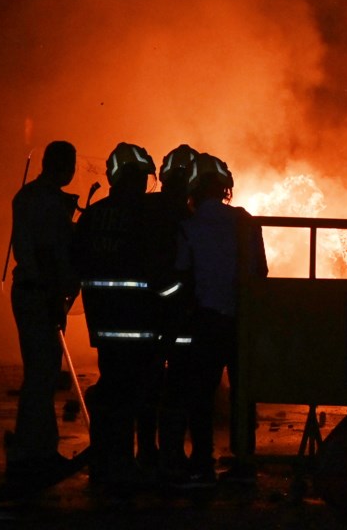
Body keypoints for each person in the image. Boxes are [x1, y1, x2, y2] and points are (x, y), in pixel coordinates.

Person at [73, 142, 178, 486]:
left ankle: (107, 461)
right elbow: (160, 272)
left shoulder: (92, 215)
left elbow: (77, 265)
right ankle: (135, 463)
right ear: (132, 177)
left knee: (112, 390)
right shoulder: (147, 216)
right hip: (140, 324)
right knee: (142, 394)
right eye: (142, 177)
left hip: (104, 324)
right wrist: (178, 302)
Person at [175, 152, 267, 486]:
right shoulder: (245, 221)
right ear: (225, 187)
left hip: (206, 321)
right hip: (241, 321)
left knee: (201, 394)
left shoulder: (189, 226)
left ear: (194, 188)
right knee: (243, 392)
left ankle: (202, 462)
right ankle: (244, 462)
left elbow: (182, 275)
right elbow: (261, 273)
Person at [6, 140, 80, 481]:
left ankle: (31, 446)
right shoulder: (48, 203)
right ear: (62, 165)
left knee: (40, 373)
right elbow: (49, 253)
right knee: (42, 374)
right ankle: (34, 451)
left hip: (32, 293)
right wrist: (57, 292)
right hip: (39, 295)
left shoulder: (28, 197)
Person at [150, 144, 200, 481]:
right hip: (180, 315)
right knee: (180, 387)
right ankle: (171, 454)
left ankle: (146, 453)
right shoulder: (192, 218)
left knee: (147, 385)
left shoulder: (145, 209)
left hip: (144, 315)